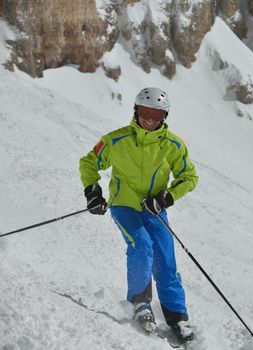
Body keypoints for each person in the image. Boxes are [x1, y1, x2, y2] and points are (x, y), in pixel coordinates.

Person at [79, 87, 198, 343]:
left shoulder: (173, 146)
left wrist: (167, 197)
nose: (150, 120)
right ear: (136, 111)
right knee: (141, 246)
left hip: (155, 210)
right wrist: (92, 191)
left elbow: (189, 177)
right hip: (124, 206)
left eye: (156, 115)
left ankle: (177, 316)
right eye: (145, 113)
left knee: (165, 258)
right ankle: (140, 303)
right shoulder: (116, 140)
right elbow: (89, 162)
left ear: (164, 116)